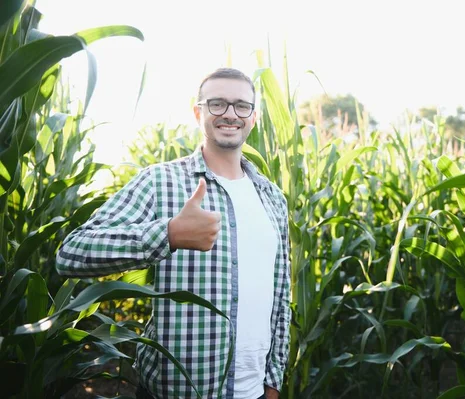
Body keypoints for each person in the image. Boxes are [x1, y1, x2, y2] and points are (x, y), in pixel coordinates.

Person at [56, 67, 291, 399]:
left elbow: (280, 297)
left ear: (254, 117)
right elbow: (71, 253)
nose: (230, 114)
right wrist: (168, 235)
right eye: (217, 104)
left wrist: (272, 381)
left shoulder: (273, 199)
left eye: (241, 106)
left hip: (253, 392)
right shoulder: (160, 182)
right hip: (176, 391)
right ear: (198, 112)